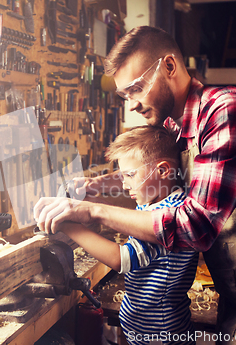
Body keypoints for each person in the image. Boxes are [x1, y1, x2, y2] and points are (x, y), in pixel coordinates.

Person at [34, 26, 236, 343]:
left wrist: (90, 211)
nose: (132, 104)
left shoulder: (227, 111)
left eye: (137, 89)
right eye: (125, 95)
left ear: (169, 66)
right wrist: (94, 185)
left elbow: (196, 227)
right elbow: (165, 175)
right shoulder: (175, 128)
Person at [59, 125, 198, 344]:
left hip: (159, 332)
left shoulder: (167, 214)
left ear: (163, 171)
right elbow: (127, 222)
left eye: (130, 175)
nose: (124, 184)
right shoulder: (159, 201)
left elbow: (121, 259)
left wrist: (68, 226)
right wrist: (88, 202)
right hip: (143, 327)